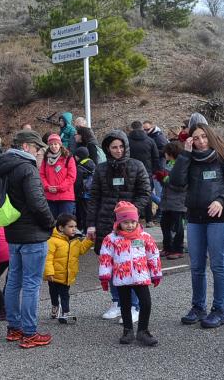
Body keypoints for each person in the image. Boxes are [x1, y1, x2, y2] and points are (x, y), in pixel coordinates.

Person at [170, 123, 224, 328]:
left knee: (218, 265)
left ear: (211, 137)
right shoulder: (190, 160)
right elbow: (176, 182)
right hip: (196, 218)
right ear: (190, 141)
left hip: (222, 219)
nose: (201, 141)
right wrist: (185, 155)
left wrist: (222, 201)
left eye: (204, 136)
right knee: (196, 266)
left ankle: (219, 311)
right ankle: (198, 307)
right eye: (196, 138)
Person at [0, 130, 54, 348]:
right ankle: (29, 332)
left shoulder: (3, 166)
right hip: (32, 233)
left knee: (14, 281)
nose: (38, 154)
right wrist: (50, 223)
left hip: (13, 232)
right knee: (31, 284)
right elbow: (37, 203)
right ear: (26, 146)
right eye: (37, 149)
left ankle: (14, 327)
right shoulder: (27, 168)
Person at [86, 129, 151, 322]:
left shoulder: (137, 166)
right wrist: (91, 225)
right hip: (106, 222)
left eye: (121, 146)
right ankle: (117, 302)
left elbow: (145, 193)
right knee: (111, 263)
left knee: (131, 263)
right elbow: (94, 197)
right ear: (107, 148)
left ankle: (133, 306)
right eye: (114, 147)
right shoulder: (101, 168)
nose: (118, 150)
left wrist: (129, 212)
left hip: (130, 225)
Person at [98, 201, 162, 346]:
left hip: (141, 276)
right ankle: (127, 330)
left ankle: (143, 331)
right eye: (125, 222)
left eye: (133, 221)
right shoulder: (111, 239)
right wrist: (104, 276)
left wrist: (156, 273)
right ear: (118, 222)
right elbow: (105, 258)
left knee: (146, 303)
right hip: (122, 277)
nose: (130, 225)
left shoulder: (144, 237)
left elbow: (153, 255)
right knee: (125, 305)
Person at [45, 214, 93, 324]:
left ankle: (65, 312)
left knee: (65, 294)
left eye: (75, 226)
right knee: (53, 292)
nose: (74, 229)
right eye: (71, 227)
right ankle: (55, 305)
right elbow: (48, 258)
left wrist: (89, 240)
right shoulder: (52, 241)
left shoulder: (75, 241)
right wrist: (49, 272)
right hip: (53, 275)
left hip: (67, 275)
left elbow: (81, 250)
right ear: (61, 228)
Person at [156, 141, 187, 259]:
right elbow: (167, 181)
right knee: (165, 225)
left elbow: (182, 185)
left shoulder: (181, 165)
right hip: (167, 200)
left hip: (178, 202)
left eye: (166, 152)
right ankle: (167, 247)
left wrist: (165, 180)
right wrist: (161, 179)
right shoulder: (168, 163)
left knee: (177, 227)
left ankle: (178, 249)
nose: (165, 155)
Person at [40, 133, 77, 217]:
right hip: (50, 196)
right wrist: (47, 187)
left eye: (55, 144)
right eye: (51, 144)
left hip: (65, 197)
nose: (53, 146)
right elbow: (41, 175)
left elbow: (71, 177)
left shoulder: (68, 157)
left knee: (66, 223)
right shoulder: (46, 158)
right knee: (52, 224)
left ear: (60, 145)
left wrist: (59, 188)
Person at [73, 146, 96, 232]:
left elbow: (78, 182)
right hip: (90, 193)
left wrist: (74, 192)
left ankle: (83, 229)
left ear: (79, 156)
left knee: (82, 212)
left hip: (83, 193)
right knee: (88, 211)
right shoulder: (92, 163)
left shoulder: (81, 167)